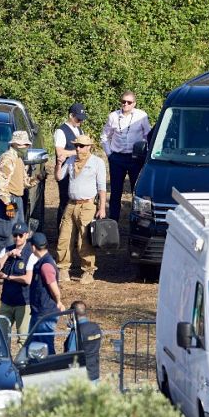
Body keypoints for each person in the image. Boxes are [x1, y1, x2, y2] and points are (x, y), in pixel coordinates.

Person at [55, 134, 108, 282]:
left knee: (84, 239)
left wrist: (102, 207)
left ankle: (88, 271)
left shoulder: (97, 162)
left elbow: (102, 187)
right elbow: (59, 177)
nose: (78, 148)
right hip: (71, 204)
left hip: (87, 205)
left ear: (89, 147)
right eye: (76, 145)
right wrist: (59, 163)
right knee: (64, 237)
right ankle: (63, 269)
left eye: (82, 146)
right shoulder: (71, 160)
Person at [101, 92, 150, 221]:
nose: (125, 104)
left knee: (138, 189)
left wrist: (146, 152)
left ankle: (139, 219)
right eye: (123, 101)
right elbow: (105, 136)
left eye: (129, 102)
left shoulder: (141, 116)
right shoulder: (113, 116)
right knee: (116, 191)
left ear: (134, 103)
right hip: (117, 158)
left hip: (135, 157)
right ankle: (113, 220)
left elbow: (147, 135)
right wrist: (109, 154)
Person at [0, 129, 34, 254]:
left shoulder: (19, 159)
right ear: (15, 144)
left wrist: (37, 179)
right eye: (23, 145)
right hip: (9, 200)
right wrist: (8, 204)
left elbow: (24, 182)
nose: (26, 147)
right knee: (6, 238)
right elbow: (1, 186)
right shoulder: (8, 159)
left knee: (18, 235)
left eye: (27, 145)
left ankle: (9, 269)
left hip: (17, 200)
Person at [0, 225, 33, 344]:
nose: (18, 238)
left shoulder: (30, 253)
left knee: (23, 338)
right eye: (15, 235)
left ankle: (21, 363)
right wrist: (7, 255)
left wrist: (8, 277)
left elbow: (28, 279)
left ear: (27, 235)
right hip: (6, 301)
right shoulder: (6, 250)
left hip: (24, 302)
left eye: (21, 235)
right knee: (2, 337)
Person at [53, 104, 87, 221]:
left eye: (82, 119)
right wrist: (77, 152)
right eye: (78, 119)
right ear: (71, 116)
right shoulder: (61, 131)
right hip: (64, 172)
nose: (80, 121)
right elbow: (60, 152)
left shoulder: (79, 130)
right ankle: (60, 231)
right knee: (65, 201)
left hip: (77, 171)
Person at [26, 232, 61, 345]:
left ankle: (52, 363)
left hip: (45, 314)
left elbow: (54, 288)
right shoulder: (43, 262)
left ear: (33, 247)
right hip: (39, 312)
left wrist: (59, 302)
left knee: (45, 347)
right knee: (34, 346)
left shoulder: (45, 265)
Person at [64, 300, 103, 384]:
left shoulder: (77, 332)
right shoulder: (95, 327)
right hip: (94, 372)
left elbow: (71, 355)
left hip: (81, 377)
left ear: (73, 314)